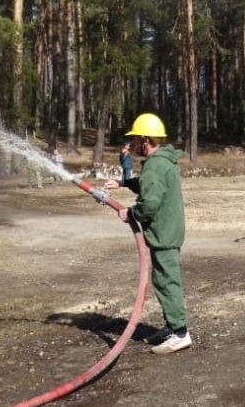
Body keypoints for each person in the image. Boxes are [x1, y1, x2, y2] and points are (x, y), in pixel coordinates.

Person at [104, 113, 191, 354]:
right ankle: (172, 326)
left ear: (145, 140)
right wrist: (124, 184)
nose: (132, 145)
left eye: (134, 141)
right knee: (162, 279)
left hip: (163, 234)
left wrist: (131, 214)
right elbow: (149, 185)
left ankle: (180, 332)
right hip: (167, 231)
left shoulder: (155, 164)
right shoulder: (162, 162)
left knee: (166, 281)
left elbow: (150, 203)